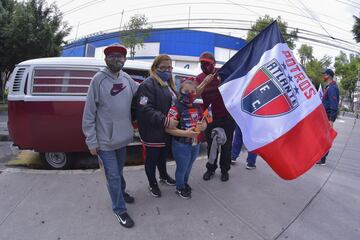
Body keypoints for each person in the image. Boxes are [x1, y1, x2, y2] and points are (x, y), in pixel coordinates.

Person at [82, 44, 138, 228]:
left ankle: (120, 193)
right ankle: (119, 209)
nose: (116, 59)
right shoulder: (98, 80)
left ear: (125, 60)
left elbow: (141, 92)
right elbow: (89, 113)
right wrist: (91, 140)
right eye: (112, 56)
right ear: (106, 59)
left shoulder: (126, 77)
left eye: (120, 56)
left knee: (118, 171)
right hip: (105, 140)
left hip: (122, 138)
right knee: (113, 175)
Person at [136, 54, 178, 198]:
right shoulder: (148, 84)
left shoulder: (168, 84)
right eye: (163, 68)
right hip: (152, 130)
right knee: (152, 159)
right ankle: (152, 183)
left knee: (162, 156)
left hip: (165, 130)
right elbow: (145, 109)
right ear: (155, 68)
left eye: (169, 67)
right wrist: (165, 121)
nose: (167, 70)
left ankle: (163, 176)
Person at [195, 52, 236, 182]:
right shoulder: (200, 77)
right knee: (211, 144)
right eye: (202, 63)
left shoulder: (222, 73)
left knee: (226, 146)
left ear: (214, 63)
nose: (204, 65)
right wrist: (205, 83)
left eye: (207, 63)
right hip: (210, 114)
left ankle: (225, 170)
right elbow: (196, 94)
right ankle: (210, 168)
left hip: (227, 113)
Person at [166, 80, 207, 199]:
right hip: (181, 144)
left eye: (192, 91)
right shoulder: (175, 107)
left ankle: (184, 183)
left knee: (189, 166)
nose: (190, 94)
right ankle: (179, 188)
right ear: (180, 92)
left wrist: (203, 126)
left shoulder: (197, 106)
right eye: (186, 91)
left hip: (196, 143)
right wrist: (185, 134)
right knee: (182, 167)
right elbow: (168, 129)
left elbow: (204, 122)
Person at [317, 68, 339, 165]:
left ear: (329, 76)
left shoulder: (333, 88)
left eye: (324, 74)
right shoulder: (329, 87)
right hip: (324, 116)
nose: (323, 76)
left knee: (325, 138)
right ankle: (320, 157)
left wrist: (331, 119)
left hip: (327, 117)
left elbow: (333, 105)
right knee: (322, 137)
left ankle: (322, 159)